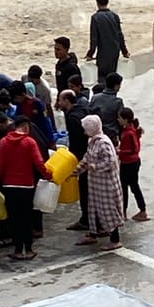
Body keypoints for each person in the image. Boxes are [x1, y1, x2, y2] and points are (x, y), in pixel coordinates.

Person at [0, 116, 52, 261]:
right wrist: (49, 176)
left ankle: (17, 249)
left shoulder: (4, 142)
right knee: (26, 217)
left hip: (9, 186)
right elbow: (39, 163)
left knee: (14, 218)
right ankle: (28, 249)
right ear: (26, 127)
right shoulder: (30, 142)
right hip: (27, 186)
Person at [73, 114, 124, 251]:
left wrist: (95, 167)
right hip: (96, 184)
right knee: (94, 209)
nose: (84, 132)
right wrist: (76, 171)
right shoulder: (92, 141)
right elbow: (87, 158)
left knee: (109, 210)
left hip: (106, 185)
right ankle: (93, 234)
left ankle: (115, 239)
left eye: (86, 129)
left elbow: (110, 162)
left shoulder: (103, 143)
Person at [57, 90, 90, 231]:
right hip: (88, 155)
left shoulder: (72, 118)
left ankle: (86, 220)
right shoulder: (83, 109)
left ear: (67, 101)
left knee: (84, 190)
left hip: (82, 158)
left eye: (60, 100)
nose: (58, 103)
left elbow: (78, 140)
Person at [84, 0, 129, 83]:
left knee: (102, 78)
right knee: (112, 77)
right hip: (115, 52)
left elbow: (94, 39)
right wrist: (125, 51)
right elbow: (120, 35)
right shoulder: (115, 16)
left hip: (103, 53)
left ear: (97, 2)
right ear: (107, 1)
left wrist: (90, 54)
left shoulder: (95, 18)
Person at [118, 107, 150, 222]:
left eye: (120, 118)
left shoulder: (129, 133)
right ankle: (141, 210)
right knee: (133, 187)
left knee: (126, 188)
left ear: (126, 120)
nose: (118, 120)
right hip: (132, 163)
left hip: (129, 164)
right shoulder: (131, 129)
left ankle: (125, 212)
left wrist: (120, 152)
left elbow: (133, 149)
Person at [88, 72, 124, 145]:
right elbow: (121, 121)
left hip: (95, 136)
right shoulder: (118, 102)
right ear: (116, 86)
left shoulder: (95, 98)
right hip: (110, 137)